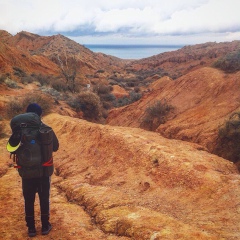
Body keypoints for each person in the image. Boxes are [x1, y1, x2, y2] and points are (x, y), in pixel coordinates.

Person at [18, 103, 59, 237]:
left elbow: (13, 149)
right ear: (40, 115)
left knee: (28, 200)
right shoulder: (46, 129)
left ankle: (31, 228)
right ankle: (45, 226)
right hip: (43, 173)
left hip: (27, 173)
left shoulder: (19, 131)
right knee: (44, 198)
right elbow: (55, 147)